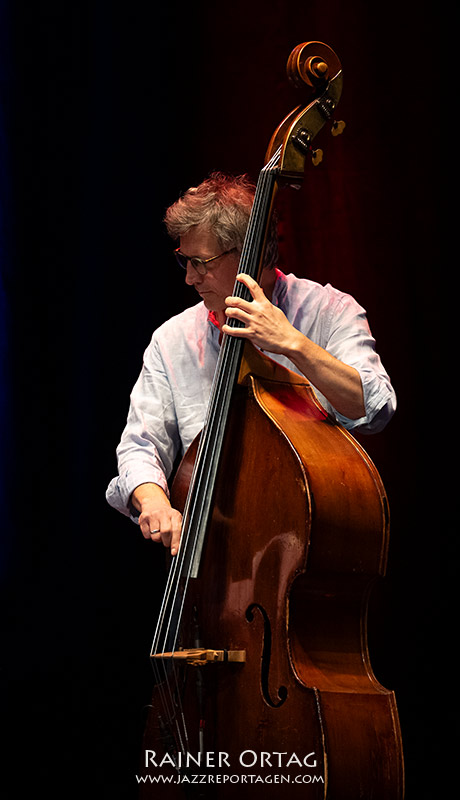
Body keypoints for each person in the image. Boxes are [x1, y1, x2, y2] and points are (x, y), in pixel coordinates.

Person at [106, 172, 396, 556]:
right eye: (184, 262)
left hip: (309, 552)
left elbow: (375, 407)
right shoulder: (171, 340)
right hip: (213, 560)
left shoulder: (330, 312)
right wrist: (155, 501)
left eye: (200, 262)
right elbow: (140, 446)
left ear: (249, 255)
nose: (190, 278)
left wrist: (294, 344)